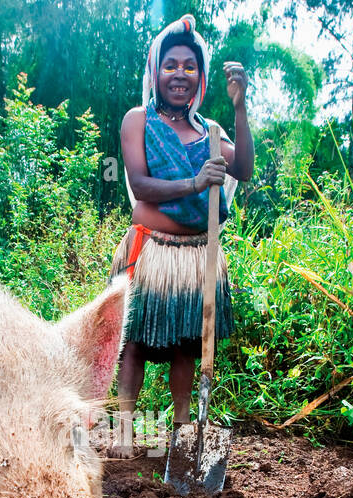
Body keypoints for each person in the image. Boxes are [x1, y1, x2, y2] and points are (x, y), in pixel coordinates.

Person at [107, 13, 253, 457]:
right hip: (150, 249)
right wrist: (194, 183)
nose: (180, 74)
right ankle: (125, 432)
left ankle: (183, 436)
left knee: (187, 346)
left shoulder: (210, 133)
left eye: (190, 67)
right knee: (132, 340)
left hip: (195, 257)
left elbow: (243, 169)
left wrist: (240, 108)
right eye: (171, 64)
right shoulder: (138, 120)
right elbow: (142, 183)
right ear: (156, 71)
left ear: (201, 79)